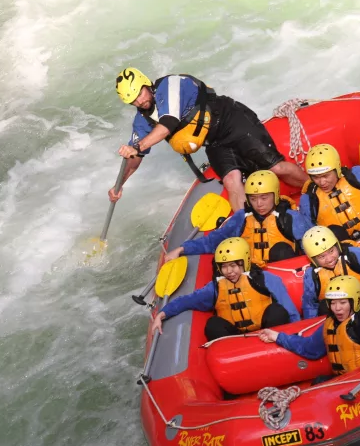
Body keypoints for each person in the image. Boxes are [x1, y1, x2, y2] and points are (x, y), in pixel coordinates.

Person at [111, 68, 307, 210]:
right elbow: (135, 158)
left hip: (231, 120)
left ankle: (313, 189)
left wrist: (138, 146)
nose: (140, 101)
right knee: (231, 181)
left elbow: (168, 123)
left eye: (140, 94)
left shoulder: (170, 85)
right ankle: (247, 229)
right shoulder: (142, 120)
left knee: (276, 167)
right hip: (214, 141)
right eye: (133, 101)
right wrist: (119, 185)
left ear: (146, 84)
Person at [256, 275, 360, 377]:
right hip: (343, 381)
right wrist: (277, 336)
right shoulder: (329, 324)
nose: (337, 308)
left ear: (355, 301)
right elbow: (310, 348)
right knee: (319, 382)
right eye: (333, 303)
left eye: (343, 303)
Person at [149, 237, 300, 341]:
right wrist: (162, 314)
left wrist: (296, 333)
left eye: (233, 265)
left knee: (277, 311)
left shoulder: (266, 279)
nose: (229, 271)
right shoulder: (215, 288)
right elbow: (187, 300)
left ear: (245, 262)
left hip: (268, 331)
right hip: (235, 337)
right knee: (213, 325)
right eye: (224, 267)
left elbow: (289, 309)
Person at [163, 170, 309, 269]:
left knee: (281, 251)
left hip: (285, 276)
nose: (259, 204)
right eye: (253, 199)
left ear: (275, 195)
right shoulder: (241, 218)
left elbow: (311, 247)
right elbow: (214, 241)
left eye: (264, 198)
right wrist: (182, 249)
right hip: (252, 277)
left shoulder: (291, 217)